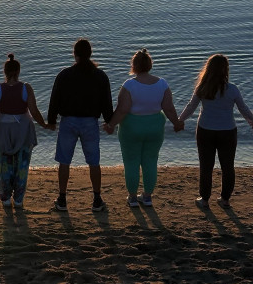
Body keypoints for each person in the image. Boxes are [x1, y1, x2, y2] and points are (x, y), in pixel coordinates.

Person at [104, 48, 182, 208]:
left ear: (134, 66)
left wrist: (111, 124)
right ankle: (147, 196)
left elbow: (123, 109)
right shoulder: (162, 84)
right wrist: (177, 122)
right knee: (151, 160)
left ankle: (132, 197)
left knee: (131, 161)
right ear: (150, 65)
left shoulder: (129, 85)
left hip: (132, 126)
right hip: (154, 126)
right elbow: (168, 108)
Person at [0, 53, 51, 208]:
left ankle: (6, 198)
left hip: (2, 129)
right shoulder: (26, 88)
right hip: (22, 129)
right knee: (21, 165)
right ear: (19, 71)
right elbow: (34, 111)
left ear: (5, 72)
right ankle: (19, 199)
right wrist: (44, 124)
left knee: (2, 165)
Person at [179, 54, 253, 210]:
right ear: (225, 70)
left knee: (206, 166)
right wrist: (251, 120)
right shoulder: (232, 89)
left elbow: (191, 107)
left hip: (206, 130)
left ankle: (204, 200)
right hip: (228, 131)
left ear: (208, 69)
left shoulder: (202, 88)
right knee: (228, 166)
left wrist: (179, 121)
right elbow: (243, 108)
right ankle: (225, 200)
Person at [47, 38, 114, 212]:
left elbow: (55, 99)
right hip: (90, 122)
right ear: (90, 54)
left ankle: (62, 199)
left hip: (68, 121)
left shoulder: (64, 75)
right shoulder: (100, 76)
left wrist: (52, 120)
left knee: (64, 161)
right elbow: (106, 101)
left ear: (74, 54)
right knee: (94, 162)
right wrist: (110, 121)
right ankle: (97, 199)